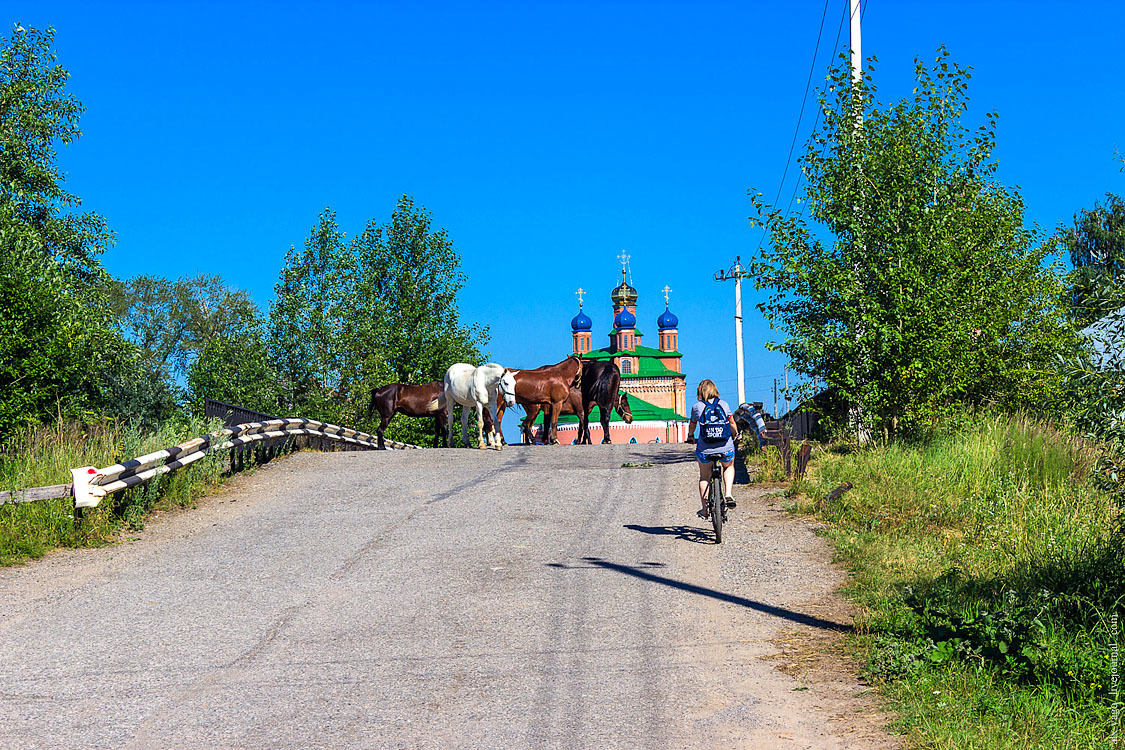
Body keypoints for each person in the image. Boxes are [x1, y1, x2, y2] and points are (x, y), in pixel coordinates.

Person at [685, 379, 739, 519]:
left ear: (699, 393)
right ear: (715, 390)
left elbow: (692, 425)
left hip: (705, 449)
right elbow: (732, 423)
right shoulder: (724, 404)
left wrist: (691, 436)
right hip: (725, 447)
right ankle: (728, 494)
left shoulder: (697, 407)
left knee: (704, 476)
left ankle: (704, 509)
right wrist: (736, 435)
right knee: (728, 466)